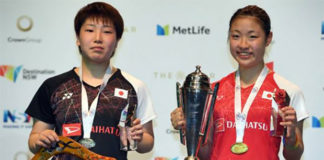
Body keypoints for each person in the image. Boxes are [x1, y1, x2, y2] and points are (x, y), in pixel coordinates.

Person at [170, 5, 308, 160]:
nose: (243, 44)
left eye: (252, 36)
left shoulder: (287, 91)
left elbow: (294, 155)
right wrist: (189, 127)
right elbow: (205, 154)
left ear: (268, 38)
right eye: (236, 36)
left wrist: (290, 139)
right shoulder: (213, 91)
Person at [25, 2, 156, 160]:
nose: (98, 38)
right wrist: (40, 139)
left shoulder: (135, 86)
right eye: (90, 30)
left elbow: (148, 142)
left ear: (117, 41)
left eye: (107, 31)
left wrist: (139, 138)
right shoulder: (53, 86)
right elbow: (34, 140)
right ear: (78, 38)